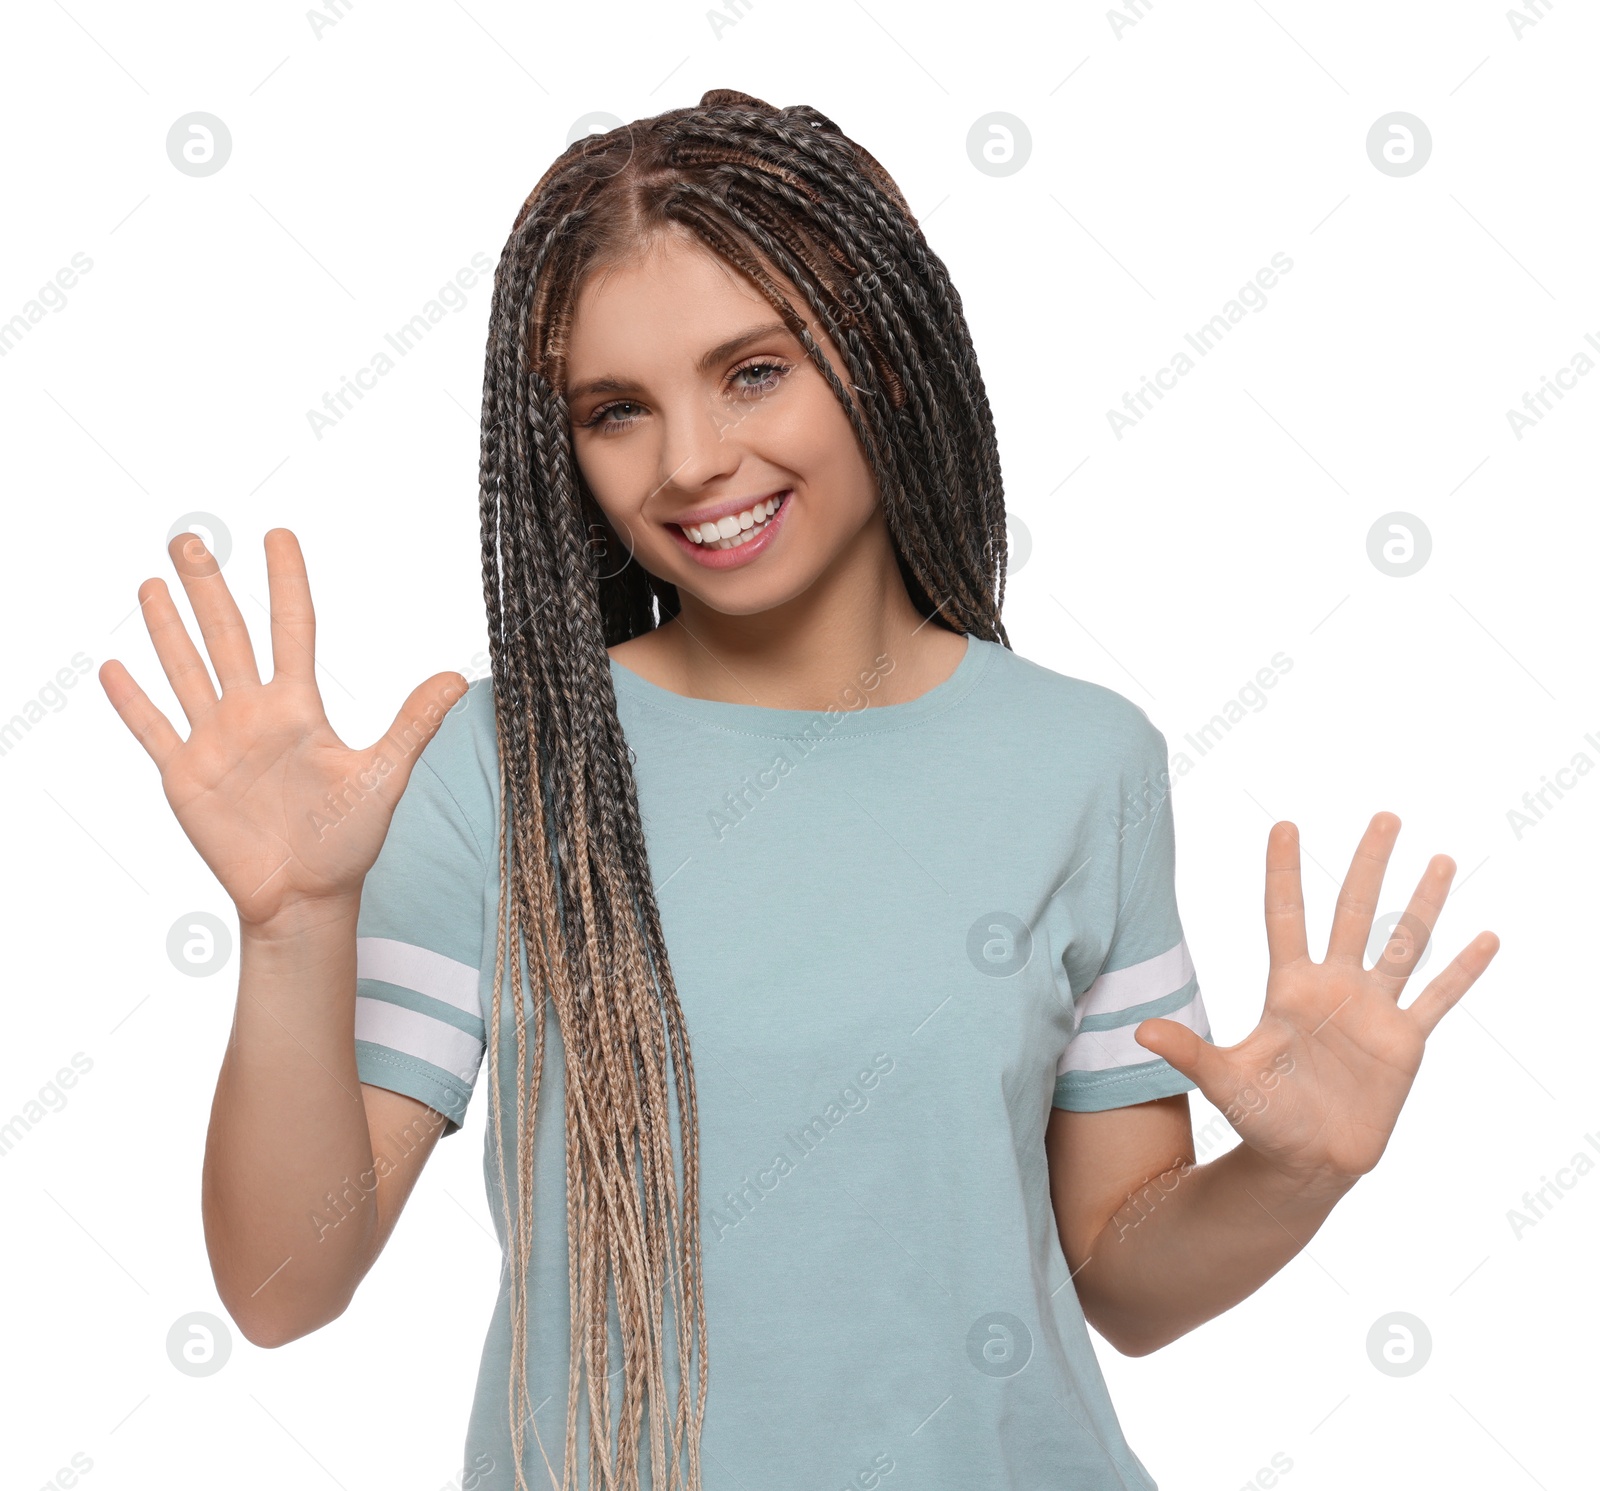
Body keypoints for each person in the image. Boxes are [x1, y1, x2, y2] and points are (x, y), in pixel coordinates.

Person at [98, 89, 1499, 1491]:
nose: (692, 462)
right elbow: (286, 1287)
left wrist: (1300, 1171)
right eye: (617, 410)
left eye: (753, 371)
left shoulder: (1086, 764)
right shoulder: (496, 767)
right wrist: (291, 928)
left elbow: (1128, 1282)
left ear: (883, 359)